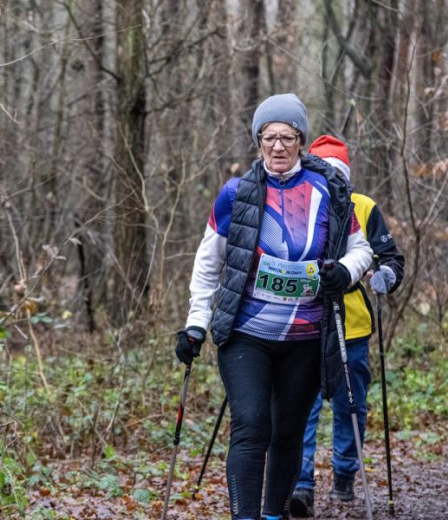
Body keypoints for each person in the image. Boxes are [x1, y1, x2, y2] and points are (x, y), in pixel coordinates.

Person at [174, 94, 373, 520]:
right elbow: (208, 264)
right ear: (258, 141)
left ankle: (272, 515)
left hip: (306, 336)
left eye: (287, 137)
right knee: (250, 425)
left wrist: (346, 271)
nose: (278, 146)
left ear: (300, 141)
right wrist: (195, 324)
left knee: (288, 434)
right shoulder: (236, 193)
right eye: (269, 137)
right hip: (247, 333)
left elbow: (361, 249)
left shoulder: (330, 190)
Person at [290, 135, 406, 518]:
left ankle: (343, 475)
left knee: (351, 406)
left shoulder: (365, 207)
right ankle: (300, 484)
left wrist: (385, 275)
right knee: (300, 406)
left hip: (352, 325)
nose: (329, 180)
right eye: (322, 172)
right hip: (301, 324)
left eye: (336, 173)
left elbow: (391, 256)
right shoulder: (294, 200)